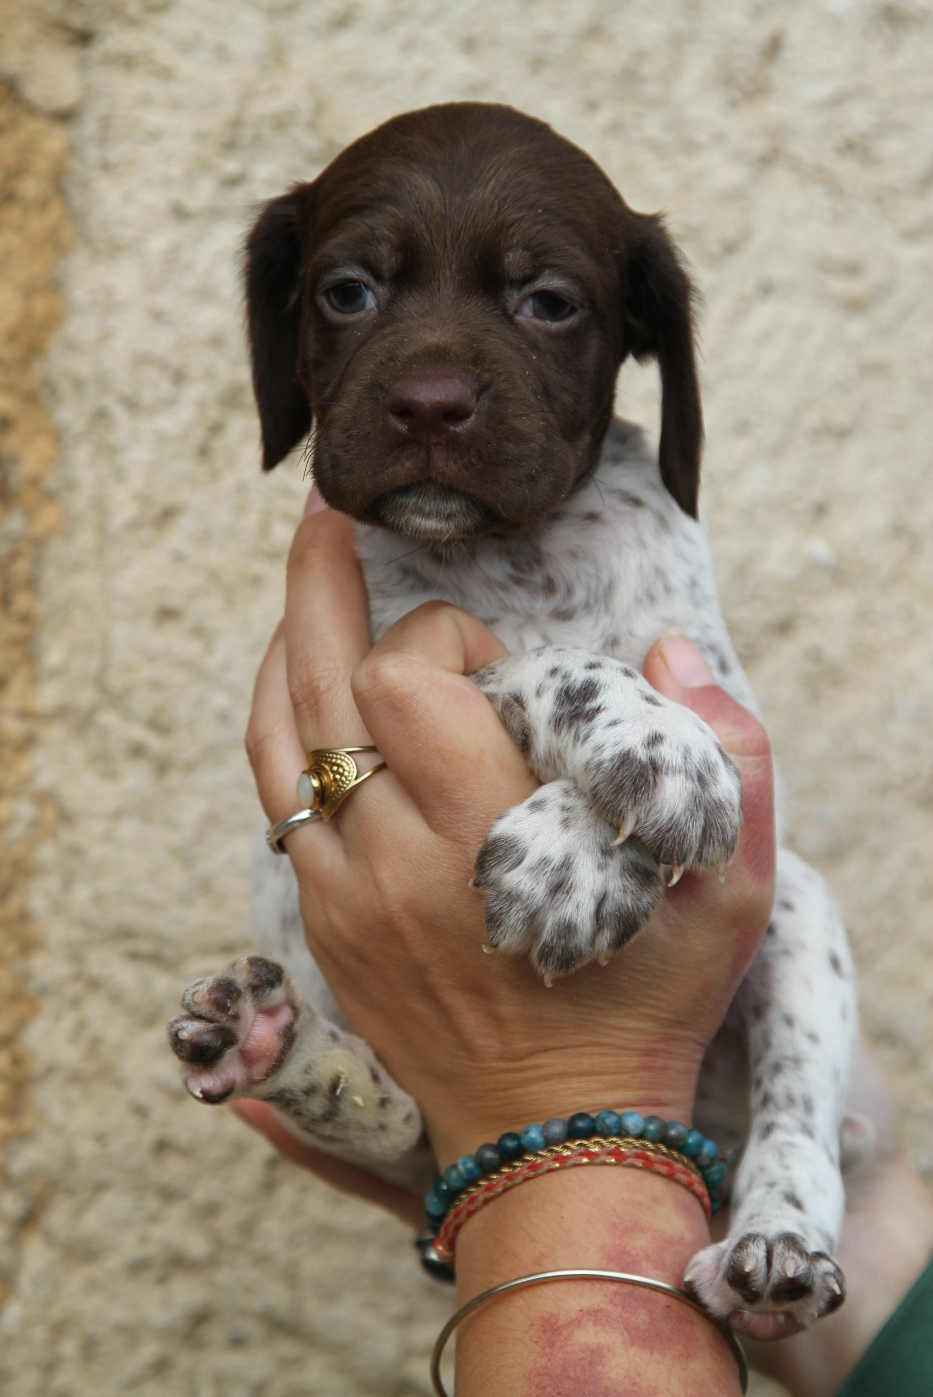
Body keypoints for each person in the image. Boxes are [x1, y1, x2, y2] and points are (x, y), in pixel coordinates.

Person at [236, 498, 933, 1395]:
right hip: (814, 1253)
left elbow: (685, 807)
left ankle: (796, 1180)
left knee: (782, 884)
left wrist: (540, 1131)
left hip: (712, 1121)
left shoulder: (641, 528)